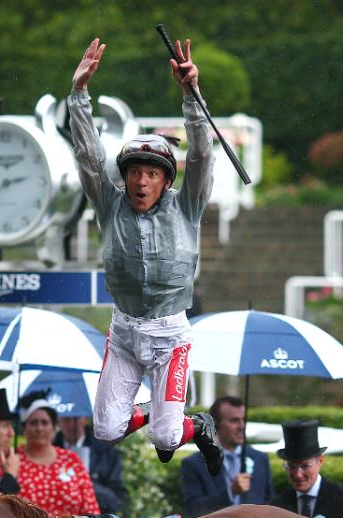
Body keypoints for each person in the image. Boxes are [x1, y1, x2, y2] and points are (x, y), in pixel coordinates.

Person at [68, 37, 224, 477]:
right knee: (104, 429)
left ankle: (192, 425)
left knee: (165, 439)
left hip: (170, 336)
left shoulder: (187, 204)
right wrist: (79, 96)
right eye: (134, 172)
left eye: (151, 173)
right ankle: (160, 414)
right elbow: (89, 156)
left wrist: (191, 96)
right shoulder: (108, 201)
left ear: (165, 180)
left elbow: (202, 156)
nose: (140, 181)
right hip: (124, 332)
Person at [181, 397, 272, 517]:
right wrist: (230, 492)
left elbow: (270, 506)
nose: (241, 426)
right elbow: (193, 510)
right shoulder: (194, 464)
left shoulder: (260, 459)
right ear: (215, 424)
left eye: (243, 420)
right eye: (234, 421)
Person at [16, 398, 100, 516]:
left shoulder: (71, 460)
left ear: (54, 427)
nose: (39, 428)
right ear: (24, 428)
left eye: (45, 422)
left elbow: (90, 508)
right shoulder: (11, 460)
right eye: (34, 422)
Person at [53, 413, 128, 514]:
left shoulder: (105, 449)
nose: (71, 424)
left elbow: (118, 499)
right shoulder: (48, 451)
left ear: (85, 418)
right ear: (58, 421)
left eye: (76, 418)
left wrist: (87, 485)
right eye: (66, 419)